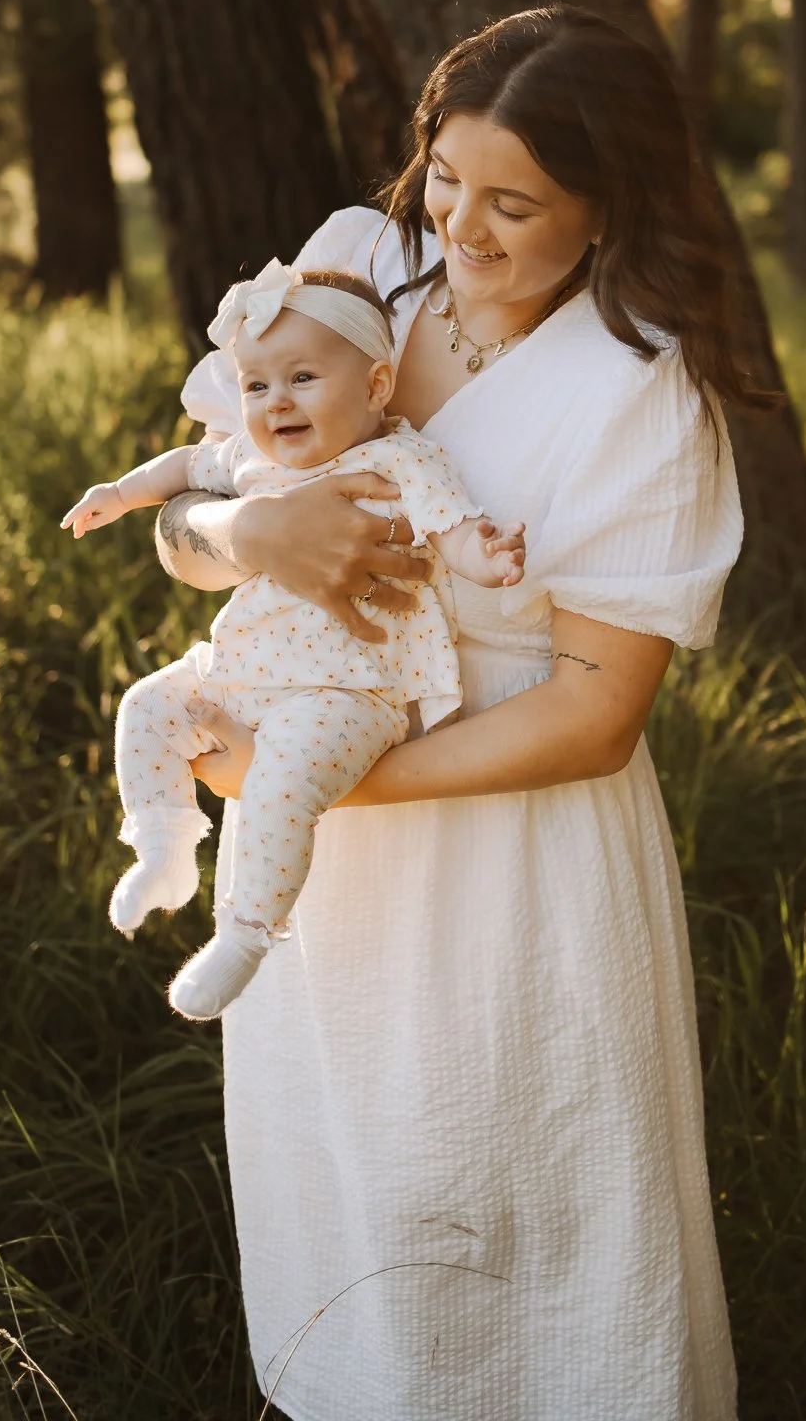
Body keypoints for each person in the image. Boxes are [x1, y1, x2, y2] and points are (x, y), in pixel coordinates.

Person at [160, 5, 747, 1420]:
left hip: (506, 862)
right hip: (313, 850)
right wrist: (252, 540)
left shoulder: (637, 392)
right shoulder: (354, 270)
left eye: (514, 203)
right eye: (444, 176)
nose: (460, 229)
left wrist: (319, 784)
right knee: (348, 1204)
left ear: (608, 209)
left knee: (523, 1216)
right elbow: (182, 508)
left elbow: (597, 714)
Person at [60, 261, 525, 1019]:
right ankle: (165, 849)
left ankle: (245, 931)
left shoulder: (401, 459)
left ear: (376, 387)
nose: (276, 402)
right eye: (256, 386)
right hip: (244, 669)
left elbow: (454, 526)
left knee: (282, 780)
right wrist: (119, 493)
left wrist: (490, 556)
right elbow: (183, 466)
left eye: (303, 378)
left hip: (353, 689)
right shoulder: (251, 460)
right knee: (146, 707)